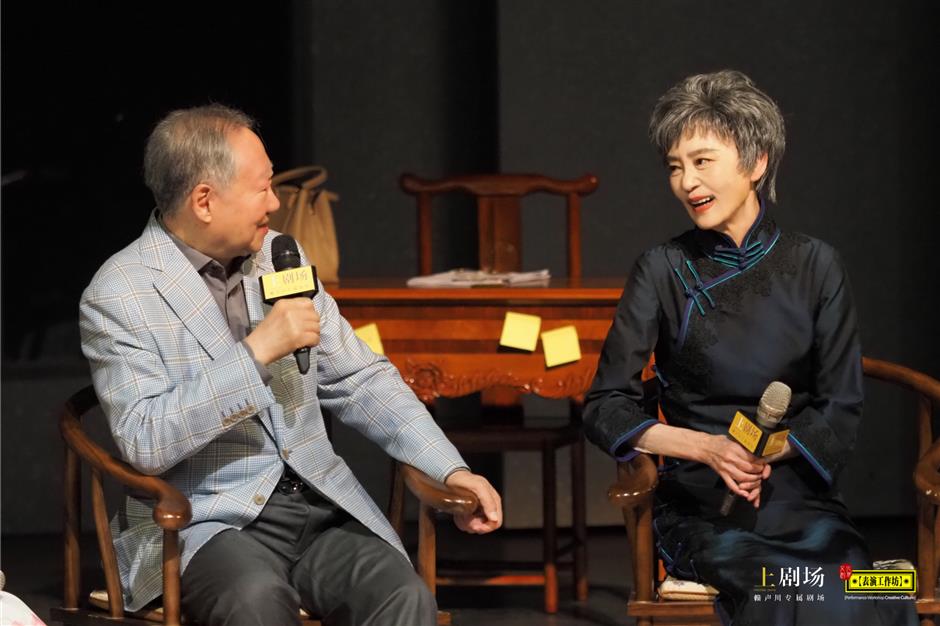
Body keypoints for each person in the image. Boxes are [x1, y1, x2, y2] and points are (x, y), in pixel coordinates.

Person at [79, 104, 503, 626]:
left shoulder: (281, 257)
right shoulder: (122, 292)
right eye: (261, 189)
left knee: (403, 594)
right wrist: (256, 353)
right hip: (202, 521)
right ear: (204, 201)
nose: (275, 204)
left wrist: (450, 467)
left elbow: (359, 378)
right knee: (255, 600)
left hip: (314, 506)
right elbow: (144, 440)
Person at [583, 70, 915, 624]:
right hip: (702, 504)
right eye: (675, 166)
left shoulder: (816, 265)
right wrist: (707, 449)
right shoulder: (663, 269)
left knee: (872, 587)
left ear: (756, 162)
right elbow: (605, 405)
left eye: (702, 161)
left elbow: (840, 407)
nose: (686, 181)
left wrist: (771, 452)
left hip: (798, 499)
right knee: (786, 589)